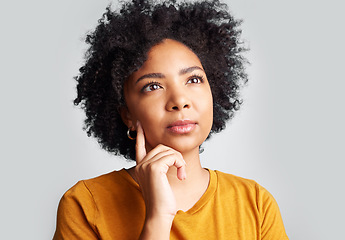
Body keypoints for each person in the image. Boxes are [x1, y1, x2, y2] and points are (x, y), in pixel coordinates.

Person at [53, 0, 289, 239]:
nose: (179, 100)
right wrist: (158, 217)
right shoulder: (85, 204)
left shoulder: (256, 203)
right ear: (127, 115)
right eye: (153, 86)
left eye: (194, 80)